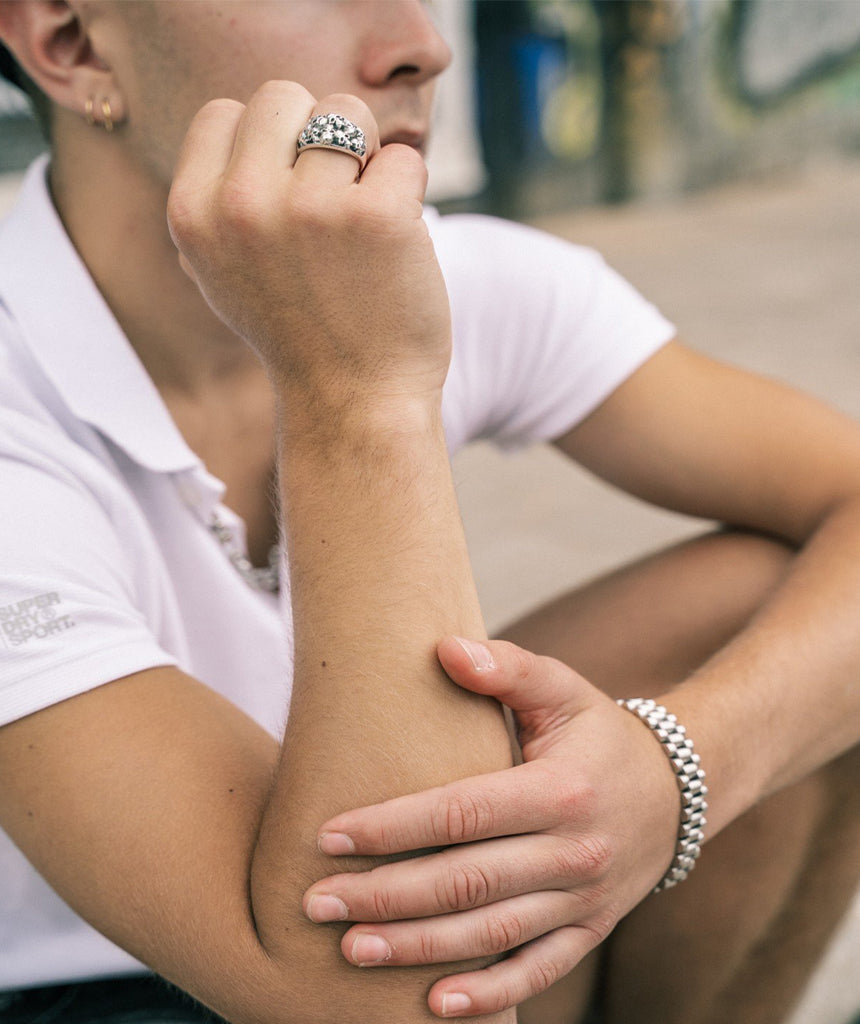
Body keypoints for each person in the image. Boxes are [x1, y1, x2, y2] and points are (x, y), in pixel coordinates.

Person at [0, 3, 858, 1024]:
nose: (421, 43)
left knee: (772, 617)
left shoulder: (459, 275)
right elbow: (391, 1006)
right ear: (70, 43)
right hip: (84, 989)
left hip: (386, 918)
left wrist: (680, 769)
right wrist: (359, 394)